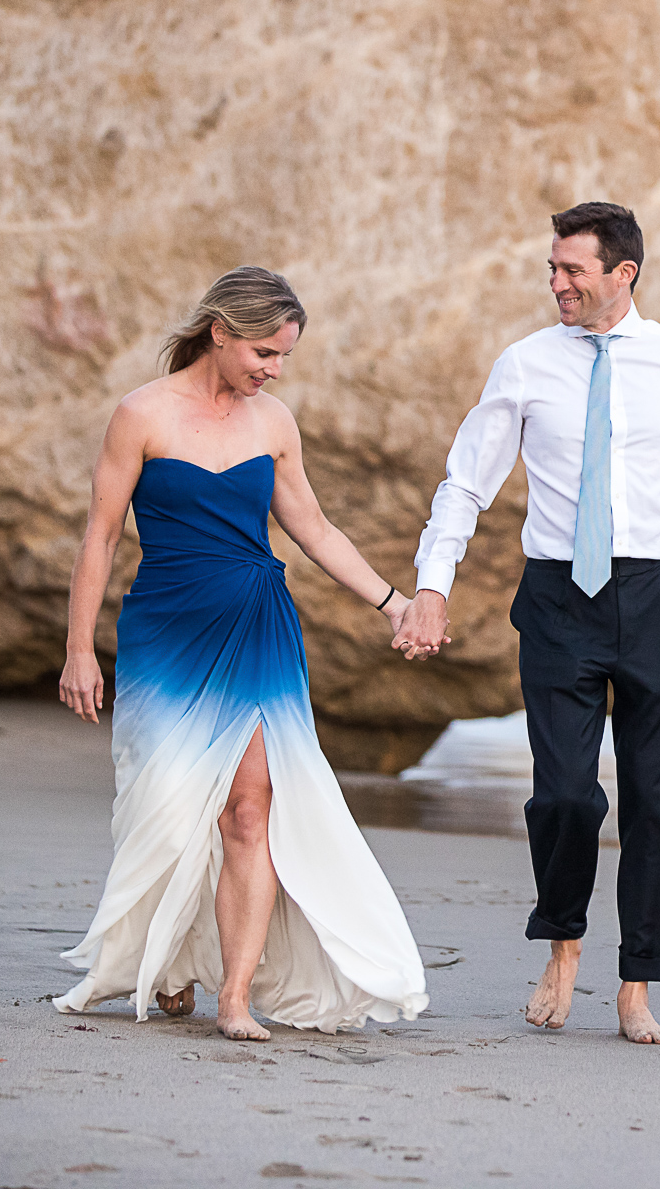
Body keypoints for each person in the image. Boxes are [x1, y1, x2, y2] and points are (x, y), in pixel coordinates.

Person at [394, 203, 660, 1044]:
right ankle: (563, 943)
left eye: (571, 270)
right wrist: (432, 586)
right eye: (552, 270)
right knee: (561, 793)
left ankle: (638, 985)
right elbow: (465, 484)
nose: (556, 283)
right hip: (558, 598)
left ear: (621, 274)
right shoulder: (523, 365)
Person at [54, 266, 430, 1040]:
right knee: (166, 810)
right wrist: (78, 651)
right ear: (219, 333)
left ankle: (234, 996)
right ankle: (167, 960)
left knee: (249, 811)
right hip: (166, 633)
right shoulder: (141, 416)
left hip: (258, 627)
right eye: (264, 352)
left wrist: (394, 603)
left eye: (284, 357)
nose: (273, 370)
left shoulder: (274, 423)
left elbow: (315, 530)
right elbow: (99, 537)